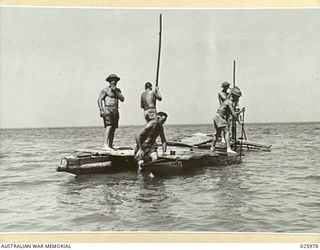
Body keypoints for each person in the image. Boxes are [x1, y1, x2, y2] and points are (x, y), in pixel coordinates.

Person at [211, 87, 244, 154]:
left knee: (218, 133)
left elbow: (232, 113)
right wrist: (239, 121)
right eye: (237, 97)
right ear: (233, 96)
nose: (237, 99)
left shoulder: (228, 102)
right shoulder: (229, 102)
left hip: (217, 117)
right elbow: (233, 113)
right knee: (227, 132)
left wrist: (240, 112)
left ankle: (212, 147)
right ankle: (228, 148)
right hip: (220, 118)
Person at [97, 74, 125, 150]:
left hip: (115, 110)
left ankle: (110, 145)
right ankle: (105, 144)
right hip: (107, 109)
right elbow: (99, 100)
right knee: (109, 126)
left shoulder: (118, 90)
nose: (114, 82)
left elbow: (122, 99)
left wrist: (115, 91)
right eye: (112, 80)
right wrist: (101, 110)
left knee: (113, 128)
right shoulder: (105, 90)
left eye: (115, 80)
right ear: (109, 81)